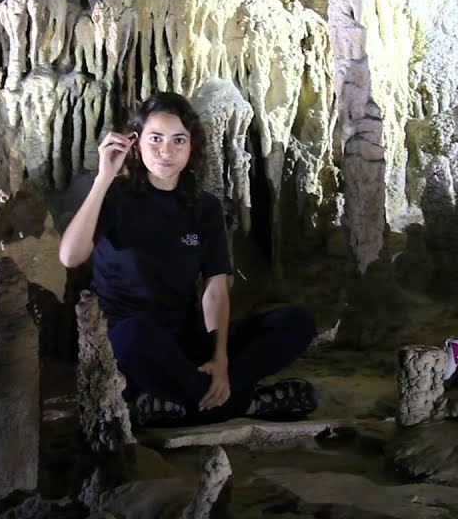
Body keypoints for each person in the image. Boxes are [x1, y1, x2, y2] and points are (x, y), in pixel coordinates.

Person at [59, 92, 318, 427]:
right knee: (133, 336)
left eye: (178, 140)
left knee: (295, 322)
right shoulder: (115, 198)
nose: (166, 151)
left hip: (184, 343)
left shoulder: (203, 207)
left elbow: (215, 287)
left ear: (192, 145)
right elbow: (70, 256)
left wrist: (220, 360)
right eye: (155, 139)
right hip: (132, 343)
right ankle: (247, 403)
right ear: (135, 143)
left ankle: (179, 399)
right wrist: (103, 178)